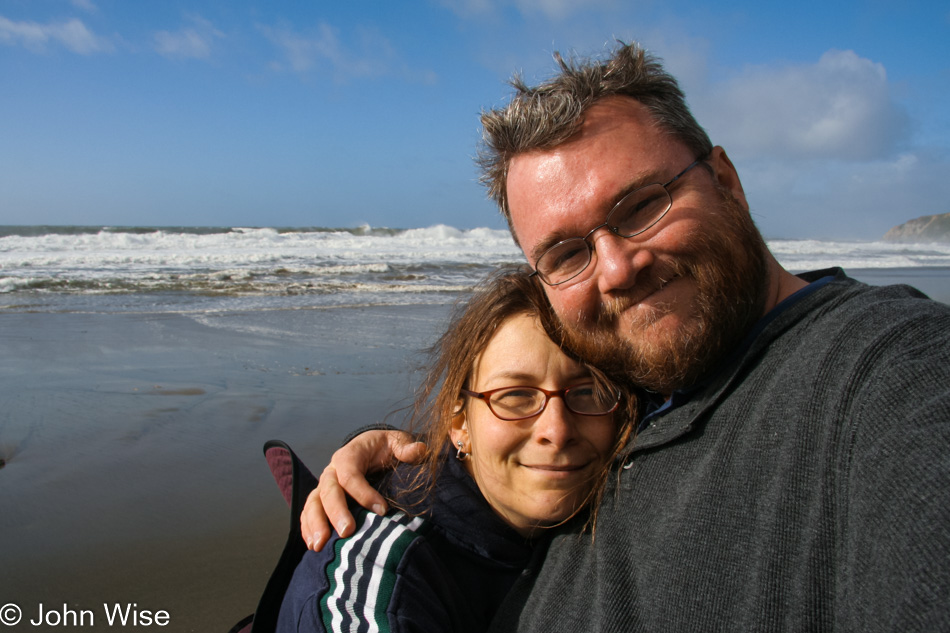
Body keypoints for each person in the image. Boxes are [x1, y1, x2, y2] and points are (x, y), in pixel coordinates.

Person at [303, 42, 950, 631]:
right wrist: (409, 462)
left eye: (642, 206)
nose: (617, 269)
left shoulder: (891, 374)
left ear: (726, 180)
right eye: (566, 253)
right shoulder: (633, 384)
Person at [277, 267, 634, 632]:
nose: (557, 431)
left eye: (587, 391)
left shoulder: (623, 487)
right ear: (459, 424)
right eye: (515, 397)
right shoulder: (383, 574)